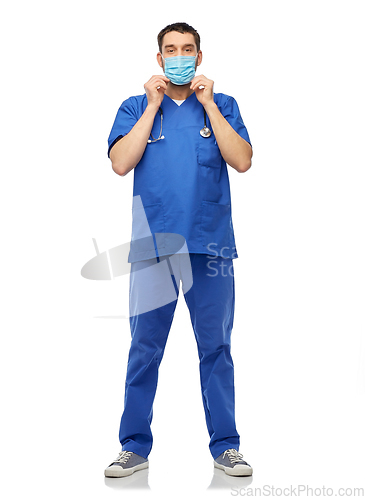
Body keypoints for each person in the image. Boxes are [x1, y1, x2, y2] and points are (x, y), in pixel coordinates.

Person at [104, 22, 253, 478]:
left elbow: (242, 159)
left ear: (200, 56)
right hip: (154, 248)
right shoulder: (135, 107)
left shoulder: (221, 107)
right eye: (171, 50)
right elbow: (121, 162)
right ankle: (134, 446)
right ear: (159, 59)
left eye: (187, 49)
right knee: (144, 349)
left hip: (211, 248)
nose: (179, 56)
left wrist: (208, 103)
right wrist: (152, 106)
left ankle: (226, 447)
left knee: (216, 349)